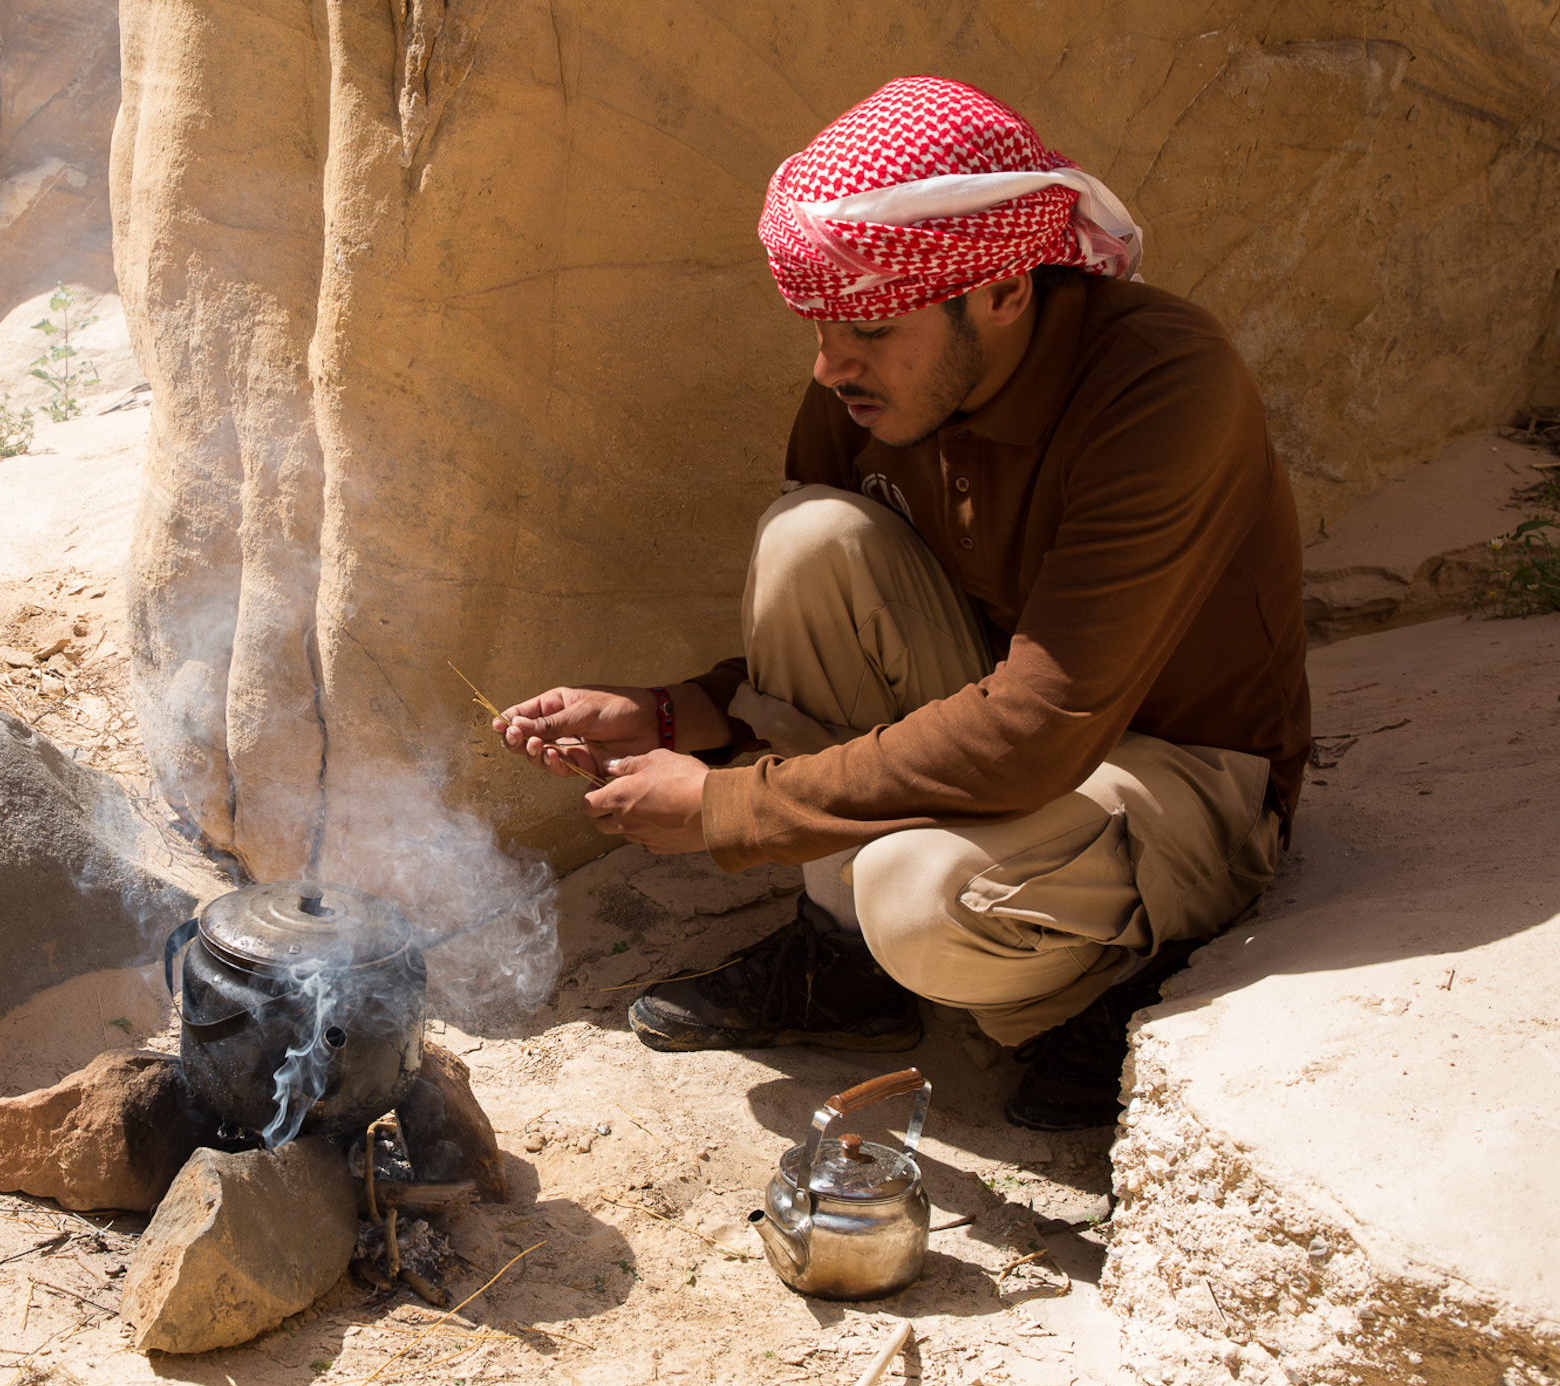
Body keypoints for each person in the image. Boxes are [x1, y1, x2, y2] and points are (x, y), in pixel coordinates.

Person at [491, 76, 1310, 1131]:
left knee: (920, 901)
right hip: (1013, 726)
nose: (830, 366)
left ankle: (1117, 983)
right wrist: (669, 714)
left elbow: (1034, 727)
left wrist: (725, 807)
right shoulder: (862, 386)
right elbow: (855, 652)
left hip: (1183, 769)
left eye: (870, 329)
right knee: (810, 539)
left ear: (1007, 291)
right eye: (820, 326)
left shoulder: (1162, 388)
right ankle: (843, 968)